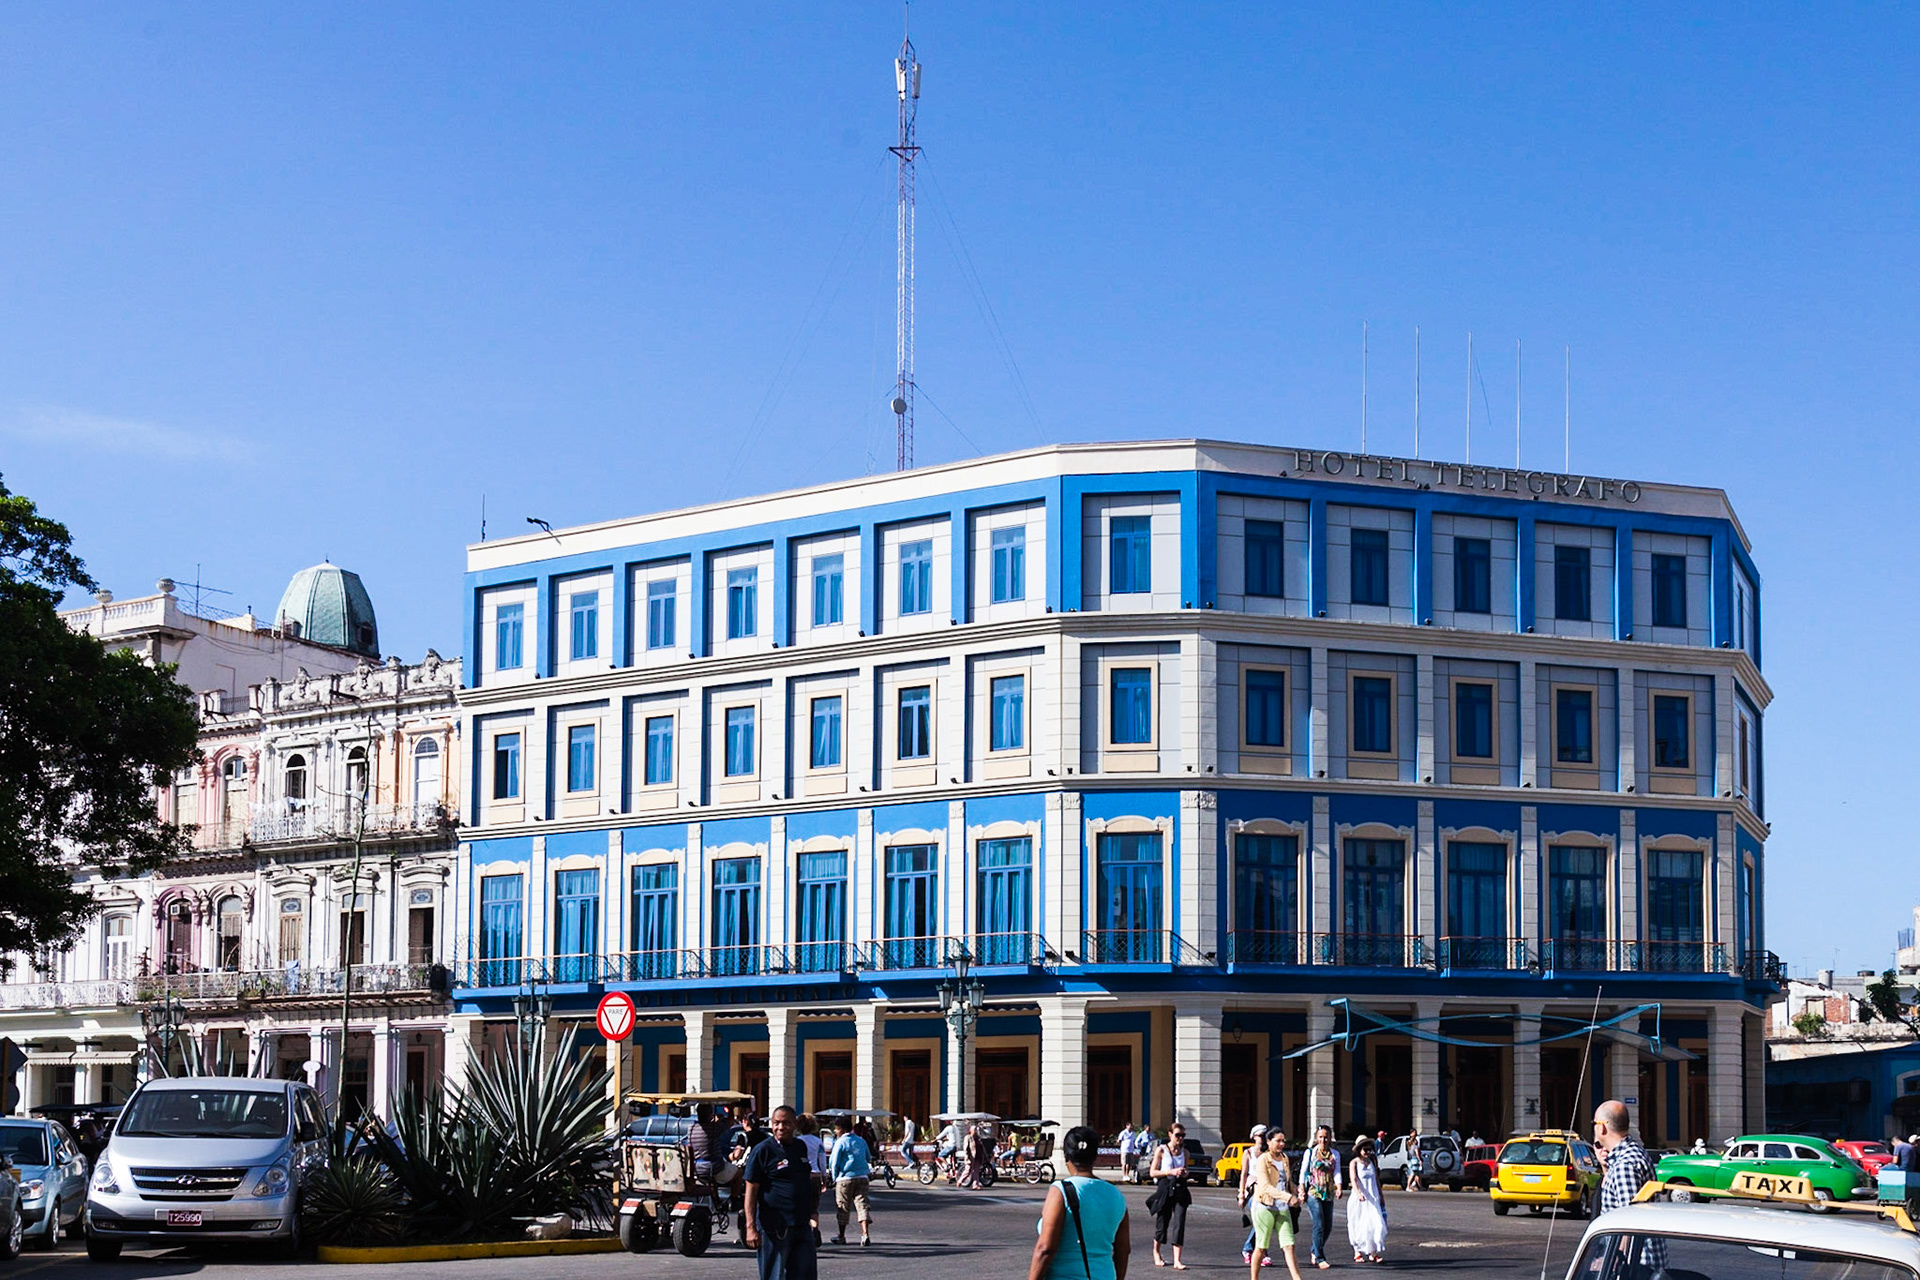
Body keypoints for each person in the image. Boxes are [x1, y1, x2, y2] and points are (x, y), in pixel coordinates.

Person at [1028, 1125, 1130, 1280]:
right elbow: (1123, 1250)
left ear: (1066, 1157)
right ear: (1095, 1156)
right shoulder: (1115, 1195)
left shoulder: (1060, 1191)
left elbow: (1045, 1249)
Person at [743, 1106, 822, 1280]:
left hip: (801, 1226)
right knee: (774, 1276)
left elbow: (804, 1181)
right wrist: (750, 1228)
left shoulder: (800, 1147)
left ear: (794, 1125)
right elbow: (751, 1190)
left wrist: (813, 1214)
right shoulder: (763, 1150)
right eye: (776, 1123)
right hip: (775, 1228)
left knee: (805, 1275)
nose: (780, 1127)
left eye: (786, 1123)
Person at [1593, 1100, 1663, 1274]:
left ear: (1602, 1128)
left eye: (1594, 1123)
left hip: (1637, 1265)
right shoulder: (1632, 1154)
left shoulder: (1625, 1164)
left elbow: (1629, 1223)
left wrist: (1612, 1258)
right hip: (1640, 1262)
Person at [1248, 1128, 1303, 1280]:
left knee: (1289, 1245)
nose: (1281, 1144)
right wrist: (1287, 1197)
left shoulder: (1284, 1158)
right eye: (1278, 1140)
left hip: (1282, 1207)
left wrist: (1297, 1191)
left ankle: (1297, 1278)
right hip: (1264, 1206)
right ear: (1268, 1141)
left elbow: (1287, 1181)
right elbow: (1265, 1186)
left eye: (1283, 1141)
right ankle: (1254, 1278)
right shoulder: (1263, 1159)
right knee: (1261, 1246)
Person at [1147, 1121, 1193, 1269]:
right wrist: (1169, 1172)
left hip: (1180, 1188)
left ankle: (1177, 1260)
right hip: (1165, 1187)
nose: (1180, 1138)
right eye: (1178, 1135)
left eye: (1183, 1135)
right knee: (1163, 1222)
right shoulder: (1161, 1150)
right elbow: (1152, 1172)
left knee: (1179, 1223)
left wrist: (1185, 1173)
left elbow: (1186, 1169)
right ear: (1170, 1135)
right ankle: (1156, 1252)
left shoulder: (1185, 1152)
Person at [1300, 1125, 1343, 1270]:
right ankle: (1320, 1257)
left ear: (1330, 1138)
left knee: (1328, 1226)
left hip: (1328, 1191)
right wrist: (1301, 1188)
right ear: (1316, 1137)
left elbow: (1336, 1172)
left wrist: (1339, 1186)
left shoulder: (1335, 1154)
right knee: (1318, 1224)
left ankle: (1314, 1249)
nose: (1323, 1140)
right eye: (1320, 1137)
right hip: (1314, 1191)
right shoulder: (1311, 1152)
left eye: (1326, 1137)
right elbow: (1303, 1171)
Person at [828, 1115, 873, 1246]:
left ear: (840, 1129)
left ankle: (841, 1236)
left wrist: (834, 1177)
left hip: (845, 1178)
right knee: (862, 1205)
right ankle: (865, 1234)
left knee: (843, 1207)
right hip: (862, 1176)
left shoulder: (840, 1142)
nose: (836, 1132)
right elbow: (868, 1157)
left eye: (836, 1129)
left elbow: (834, 1162)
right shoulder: (861, 1140)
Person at [1345, 1136, 1387, 1264]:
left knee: (1376, 1225)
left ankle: (1373, 1252)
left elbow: (1376, 1180)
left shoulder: (1372, 1162)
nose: (1367, 1152)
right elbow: (1353, 1179)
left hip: (1372, 1199)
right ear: (1359, 1150)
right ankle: (1357, 1252)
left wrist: (1381, 1195)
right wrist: (1358, 1193)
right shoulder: (1354, 1163)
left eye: (1369, 1149)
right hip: (1359, 1200)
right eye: (1364, 1149)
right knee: (1359, 1225)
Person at [1238, 1124, 1269, 1264]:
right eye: (1260, 1136)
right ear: (1254, 1137)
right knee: (1261, 1222)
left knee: (1266, 1222)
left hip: (1267, 1192)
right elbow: (1243, 1174)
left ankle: (1259, 1251)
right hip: (1253, 1191)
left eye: (1265, 1135)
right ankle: (1251, 1248)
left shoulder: (1270, 1152)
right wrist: (1241, 1194)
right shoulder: (1248, 1153)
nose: (1263, 1138)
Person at [1401, 1127, 1424, 1193]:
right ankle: (1408, 1186)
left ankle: (1418, 1186)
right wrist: (1420, 1160)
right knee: (1413, 1174)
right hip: (1415, 1160)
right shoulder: (1415, 1146)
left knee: (1417, 1174)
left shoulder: (1409, 1145)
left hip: (1411, 1160)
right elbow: (1417, 1153)